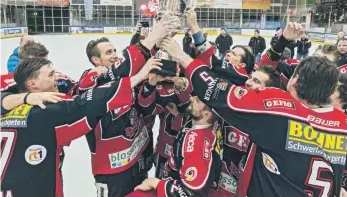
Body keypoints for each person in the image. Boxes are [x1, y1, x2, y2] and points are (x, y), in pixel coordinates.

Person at [162, 16, 346, 196]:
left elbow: (216, 90)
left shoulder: (280, 109)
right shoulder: (343, 123)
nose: (251, 85)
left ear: (294, 82)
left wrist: (180, 55)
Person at [0, 57, 156, 197]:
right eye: (50, 75)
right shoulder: (46, 113)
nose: (57, 78)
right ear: (32, 84)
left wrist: (25, 97)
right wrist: (138, 77)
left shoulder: (8, 103)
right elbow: (89, 103)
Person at [76, 16, 182, 197]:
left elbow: (145, 106)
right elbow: (117, 71)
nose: (115, 55)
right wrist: (149, 41)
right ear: (95, 59)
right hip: (112, 169)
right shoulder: (90, 79)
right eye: (108, 52)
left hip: (139, 156)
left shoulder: (128, 76)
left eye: (115, 50)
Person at [131, 96, 222, 197]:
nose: (192, 98)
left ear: (206, 114)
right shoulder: (207, 123)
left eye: (197, 101)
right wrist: (178, 116)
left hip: (174, 187)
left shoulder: (196, 145)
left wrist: (156, 184)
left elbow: (191, 193)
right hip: (172, 178)